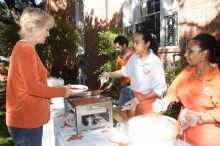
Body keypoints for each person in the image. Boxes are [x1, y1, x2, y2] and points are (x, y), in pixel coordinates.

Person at [6, 8, 74, 146]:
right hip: (27, 121)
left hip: (26, 120)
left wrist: (59, 88)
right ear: (35, 28)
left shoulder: (25, 48)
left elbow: (31, 83)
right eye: (46, 29)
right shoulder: (26, 50)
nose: (48, 34)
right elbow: (33, 88)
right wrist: (63, 91)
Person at [153, 33, 220, 146]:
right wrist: (165, 102)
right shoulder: (187, 72)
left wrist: (198, 118)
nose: (185, 55)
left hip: (207, 138)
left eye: (190, 51)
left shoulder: (217, 78)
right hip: (183, 133)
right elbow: (173, 91)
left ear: (204, 54)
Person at [101, 30, 166, 115]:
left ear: (147, 44)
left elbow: (159, 89)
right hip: (137, 99)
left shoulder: (155, 62)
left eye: (137, 43)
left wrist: (138, 99)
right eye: (133, 43)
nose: (134, 46)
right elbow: (124, 72)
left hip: (150, 103)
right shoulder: (134, 58)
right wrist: (109, 74)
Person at [103, 35, 135, 107]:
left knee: (135, 112)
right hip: (125, 89)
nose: (116, 49)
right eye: (116, 47)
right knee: (120, 109)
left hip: (135, 88)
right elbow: (117, 73)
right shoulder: (119, 59)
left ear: (124, 45)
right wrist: (110, 85)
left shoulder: (135, 54)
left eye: (118, 47)